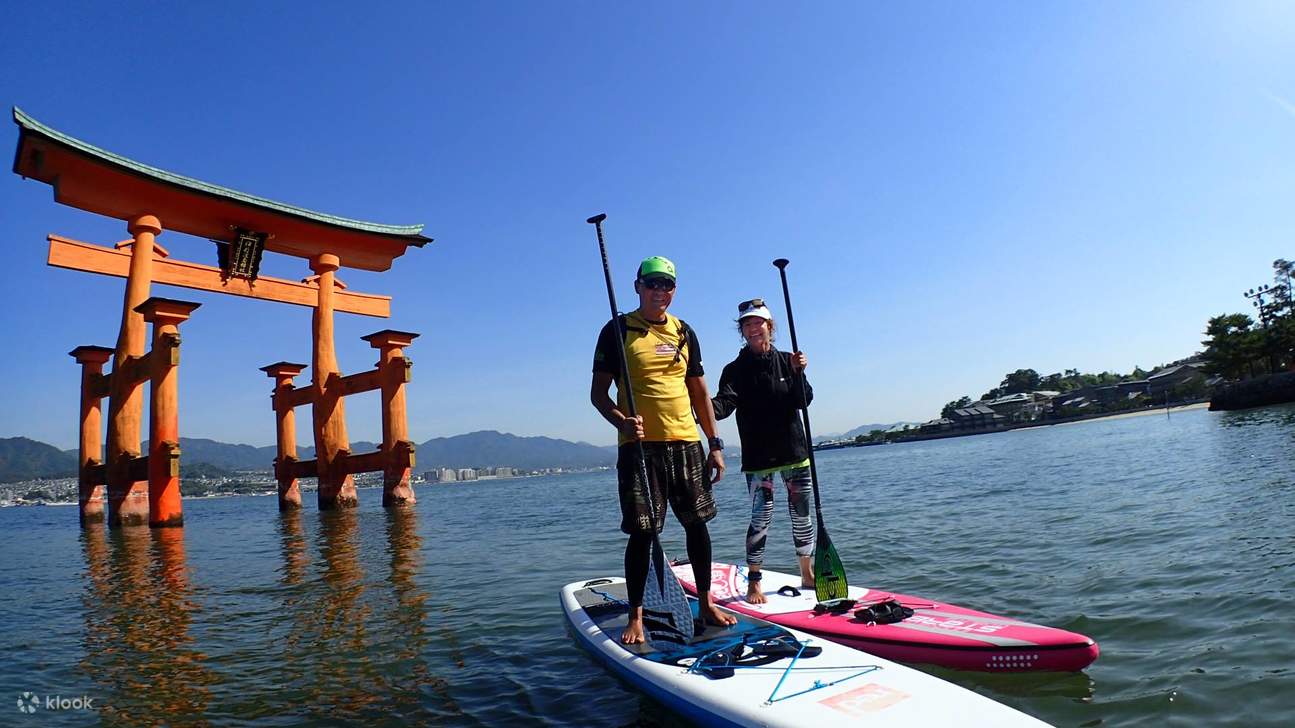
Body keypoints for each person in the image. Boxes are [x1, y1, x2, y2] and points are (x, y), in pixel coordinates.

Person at [591, 255, 737, 644]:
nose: (660, 291)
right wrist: (621, 420)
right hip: (640, 449)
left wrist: (715, 444)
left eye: (667, 284)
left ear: (675, 290)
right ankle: (636, 615)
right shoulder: (617, 330)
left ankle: (706, 602)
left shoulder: (684, 331)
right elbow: (598, 394)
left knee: (697, 525)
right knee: (642, 533)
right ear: (637, 286)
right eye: (652, 283)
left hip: (686, 443)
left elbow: (700, 393)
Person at [711, 298, 815, 604]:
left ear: (769, 327)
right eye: (747, 324)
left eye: (758, 322)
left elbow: (803, 400)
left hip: (795, 453)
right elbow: (723, 405)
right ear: (741, 331)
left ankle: (807, 573)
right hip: (759, 459)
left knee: (802, 516)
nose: (753, 328)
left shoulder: (787, 360)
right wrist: (697, 403)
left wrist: (799, 373)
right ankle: (754, 583)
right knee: (761, 518)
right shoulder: (734, 370)